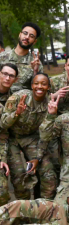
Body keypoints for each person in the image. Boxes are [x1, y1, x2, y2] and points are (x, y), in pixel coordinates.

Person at [0, 73, 57, 200]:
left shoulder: (50, 104)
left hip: (31, 138)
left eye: (43, 84)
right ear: (31, 86)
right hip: (11, 138)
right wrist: (16, 113)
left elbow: (45, 134)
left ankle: (44, 210)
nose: (39, 87)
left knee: (49, 175)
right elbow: (3, 124)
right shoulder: (18, 97)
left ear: (48, 87)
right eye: (36, 83)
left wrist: (38, 158)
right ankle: (23, 212)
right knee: (19, 175)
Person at [0, 22, 43, 93]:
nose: (27, 37)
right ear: (20, 34)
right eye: (25, 33)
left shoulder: (36, 63)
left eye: (31, 36)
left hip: (22, 101)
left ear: (35, 41)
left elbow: (37, 90)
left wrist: (35, 71)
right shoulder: (1, 57)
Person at [0, 63, 18, 206]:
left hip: (8, 139)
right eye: (4, 74)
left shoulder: (14, 97)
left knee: (20, 177)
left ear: (15, 79)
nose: (7, 78)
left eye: (11, 75)